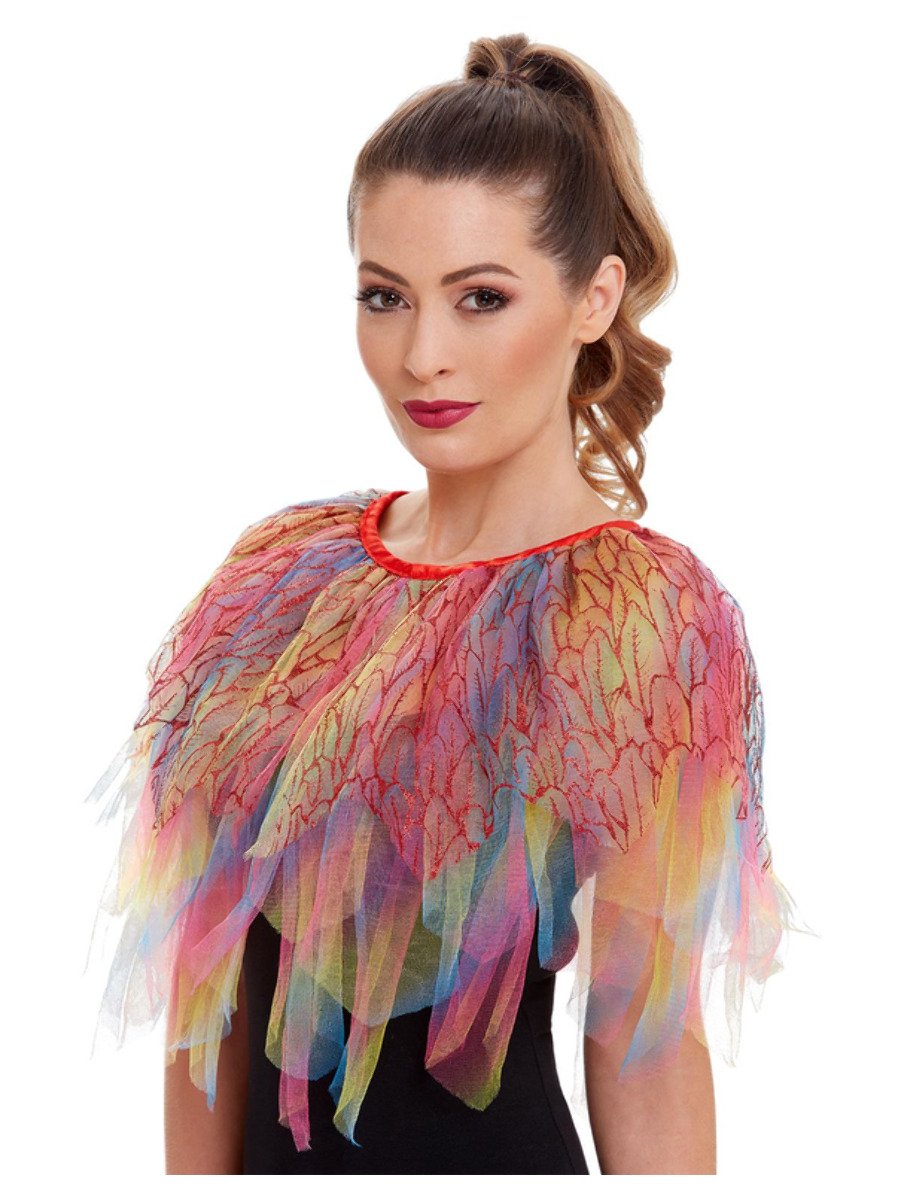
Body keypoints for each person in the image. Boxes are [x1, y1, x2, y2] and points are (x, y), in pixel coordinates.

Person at [84, 32, 814, 1174]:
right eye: (385, 297)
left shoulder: (635, 618)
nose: (422, 354)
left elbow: (642, 1040)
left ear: (594, 297)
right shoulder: (277, 582)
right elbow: (205, 1003)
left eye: (481, 298)